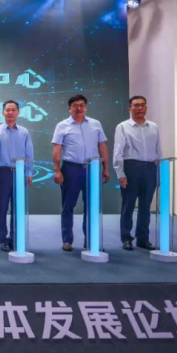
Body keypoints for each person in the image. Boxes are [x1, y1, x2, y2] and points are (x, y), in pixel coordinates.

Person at [51, 94, 110, 251]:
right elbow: (56, 149)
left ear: (86, 107)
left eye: (82, 105)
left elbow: (102, 146)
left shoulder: (95, 124)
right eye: (75, 105)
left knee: (92, 206)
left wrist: (106, 168)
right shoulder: (62, 126)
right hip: (71, 169)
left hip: (92, 169)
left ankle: (90, 240)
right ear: (69, 108)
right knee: (68, 206)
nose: (79, 108)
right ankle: (67, 240)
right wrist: (57, 170)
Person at [0, 100, 34, 252]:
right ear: (3, 112)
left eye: (13, 110)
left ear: (18, 112)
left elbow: (29, 153)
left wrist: (28, 172)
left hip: (19, 173)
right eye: (7, 110)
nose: (10, 112)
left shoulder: (24, 132)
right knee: (2, 208)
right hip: (2, 172)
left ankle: (14, 238)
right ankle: (2, 239)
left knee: (18, 208)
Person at [113, 96, 161, 251]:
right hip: (131, 167)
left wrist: (158, 173)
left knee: (146, 206)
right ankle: (126, 238)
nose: (140, 108)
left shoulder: (153, 126)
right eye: (136, 105)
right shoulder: (123, 127)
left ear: (146, 107)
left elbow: (158, 151)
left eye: (142, 105)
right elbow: (118, 152)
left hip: (150, 168)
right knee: (128, 205)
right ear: (130, 108)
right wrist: (120, 173)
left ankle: (143, 239)